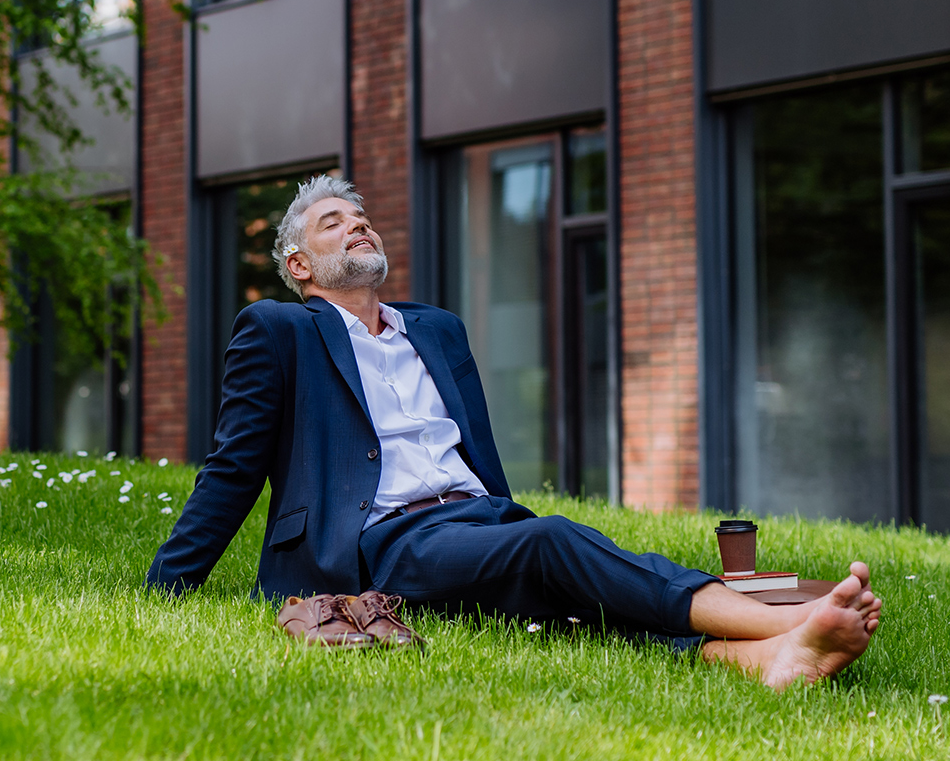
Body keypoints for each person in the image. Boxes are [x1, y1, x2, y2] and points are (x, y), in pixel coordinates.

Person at [146, 175, 881, 688]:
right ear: (300, 265)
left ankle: (772, 659)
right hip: (382, 543)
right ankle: (783, 621)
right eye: (332, 222)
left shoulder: (436, 328)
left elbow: (478, 451)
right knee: (554, 544)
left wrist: (500, 521)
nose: (357, 224)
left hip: (477, 519)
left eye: (360, 216)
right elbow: (232, 467)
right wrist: (164, 591)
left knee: (567, 597)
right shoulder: (279, 329)